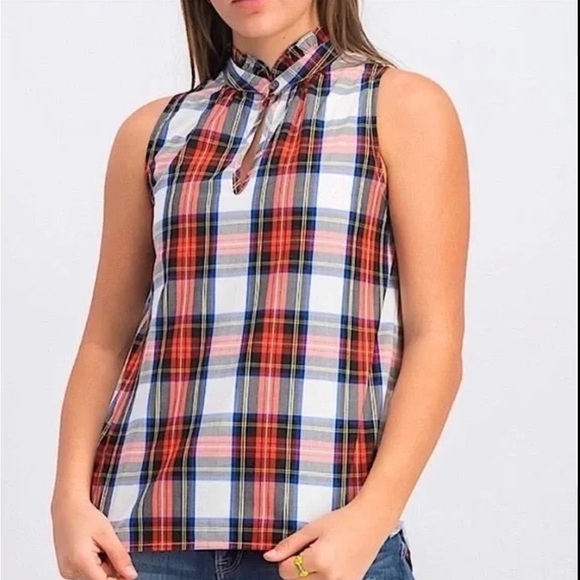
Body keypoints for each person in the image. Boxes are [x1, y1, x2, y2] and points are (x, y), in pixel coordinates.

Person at [50, 0, 469, 578]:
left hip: (320, 544)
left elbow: (436, 339)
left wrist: (372, 516)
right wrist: (67, 501)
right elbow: (105, 341)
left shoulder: (401, 107)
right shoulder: (152, 132)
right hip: (144, 544)